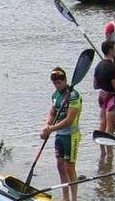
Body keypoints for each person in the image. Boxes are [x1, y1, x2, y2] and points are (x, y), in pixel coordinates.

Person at [40, 67, 82, 201]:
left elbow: (69, 120)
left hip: (71, 136)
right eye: (55, 83)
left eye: (59, 82)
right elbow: (52, 113)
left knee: (70, 168)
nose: (57, 86)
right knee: (60, 166)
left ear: (65, 81)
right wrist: (47, 125)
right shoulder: (55, 95)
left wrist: (51, 129)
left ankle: (74, 198)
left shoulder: (74, 96)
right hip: (59, 135)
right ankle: (65, 198)